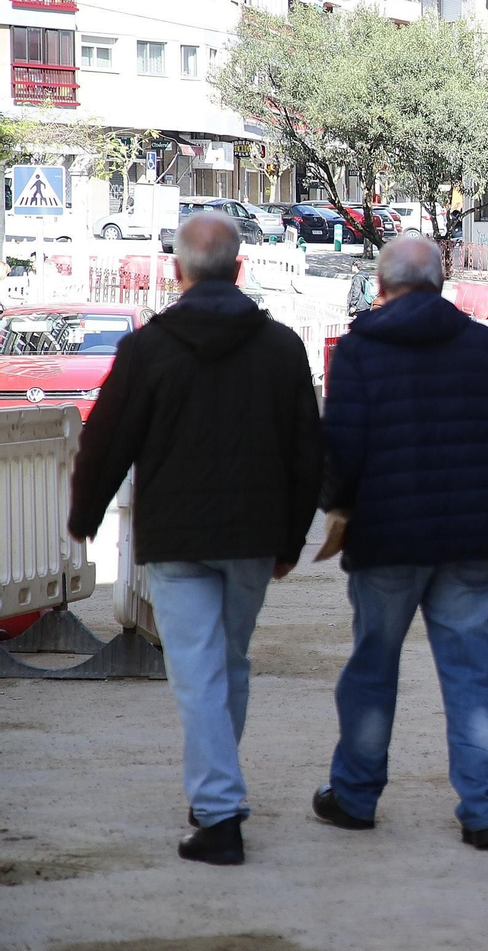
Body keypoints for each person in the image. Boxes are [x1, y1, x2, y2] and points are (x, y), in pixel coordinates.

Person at [67, 211, 322, 865]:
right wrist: (290, 540)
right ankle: (216, 792)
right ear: (239, 269)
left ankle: (217, 813)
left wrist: (83, 518)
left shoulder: (148, 348)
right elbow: (306, 453)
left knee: (199, 674)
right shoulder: (282, 347)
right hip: (254, 538)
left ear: (178, 270)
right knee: (226, 665)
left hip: (176, 538)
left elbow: (106, 443)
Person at [315, 236, 488, 850]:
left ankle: (356, 799)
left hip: (385, 541)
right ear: (441, 285)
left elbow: (339, 452)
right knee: (476, 677)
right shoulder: (487, 348)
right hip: (474, 544)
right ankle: (483, 814)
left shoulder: (361, 350)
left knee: (372, 668)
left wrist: (339, 509)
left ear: (383, 287)